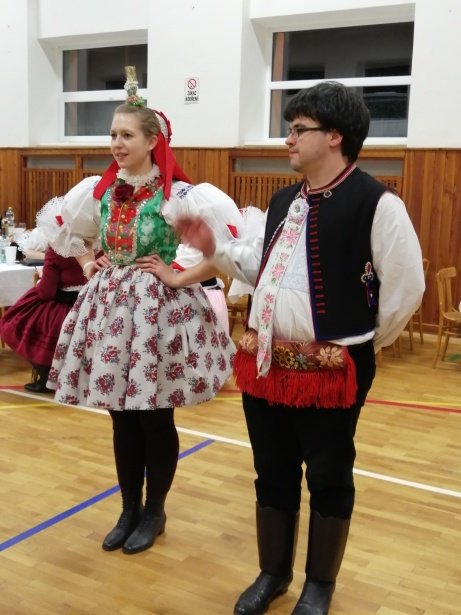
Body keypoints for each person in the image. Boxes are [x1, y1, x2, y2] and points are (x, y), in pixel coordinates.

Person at [175, 81, 426, 615]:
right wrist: (215, 249)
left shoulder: (378, 204)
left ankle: (319, 585)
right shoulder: (283, 200)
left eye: (297, 129)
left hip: (333, 370)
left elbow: (406, 287)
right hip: (267, 364)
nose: (287, 139)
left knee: (330, 475)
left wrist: (360, 341)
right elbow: (261, 267)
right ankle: (273, 573)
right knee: (272, 470)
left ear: (335, 136)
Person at [45, 66, 240, 556]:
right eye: (113, 134)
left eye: (127, 135)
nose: (117, 143)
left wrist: (176, 274)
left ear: (153, 140)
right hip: (110, 309)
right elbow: (67, 231)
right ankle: (129, 507)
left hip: (158, 313)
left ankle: (155, 510)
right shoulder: (99, 190)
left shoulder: (177, 196)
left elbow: (220, 251)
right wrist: (88, 262)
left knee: (154, 416)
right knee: (121, 416)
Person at [0, 198, 89, 392]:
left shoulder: (56, 251)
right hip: (90, 305)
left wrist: (39, 285)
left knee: (14, 321)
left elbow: (47, 291)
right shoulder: (94, 247)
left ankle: (46, 375)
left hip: (65, 306)